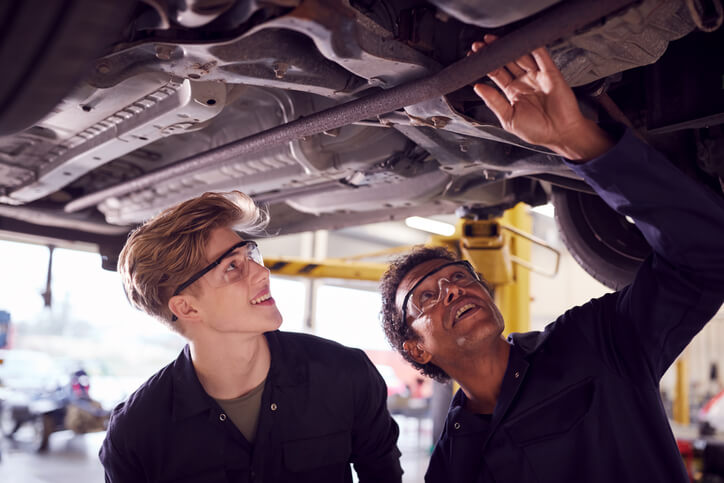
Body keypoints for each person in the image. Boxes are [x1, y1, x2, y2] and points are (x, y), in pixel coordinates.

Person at [380, 34, 724, 483]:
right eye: (426, 296)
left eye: (460, 276)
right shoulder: (451, 466)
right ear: (416, 348)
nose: (452, 288)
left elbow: (707, 254)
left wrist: (578, 141)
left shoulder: (596, 340)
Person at [99, 191, 402, 482]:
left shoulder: (344, 374)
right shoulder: (136, 432)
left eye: (250, 254)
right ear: (187, 307)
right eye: (232, 266)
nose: (262, 273)